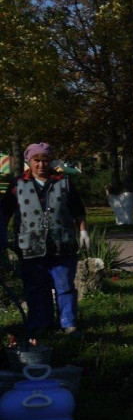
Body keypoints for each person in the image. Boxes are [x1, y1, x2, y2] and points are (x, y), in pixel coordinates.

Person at [0, 143, 88, 337]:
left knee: (64, 285)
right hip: (29, 246)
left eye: (45, 160)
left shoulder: (63, 181)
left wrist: (83, 232)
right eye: (36, 160)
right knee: (36, 287)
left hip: (62, 245)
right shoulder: (17, 184)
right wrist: (3, 237)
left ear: (51, 161)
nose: (41, 164)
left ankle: (68, 323)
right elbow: (4, 213)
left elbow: (78, 210)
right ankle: (40, 323)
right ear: (28, 162)